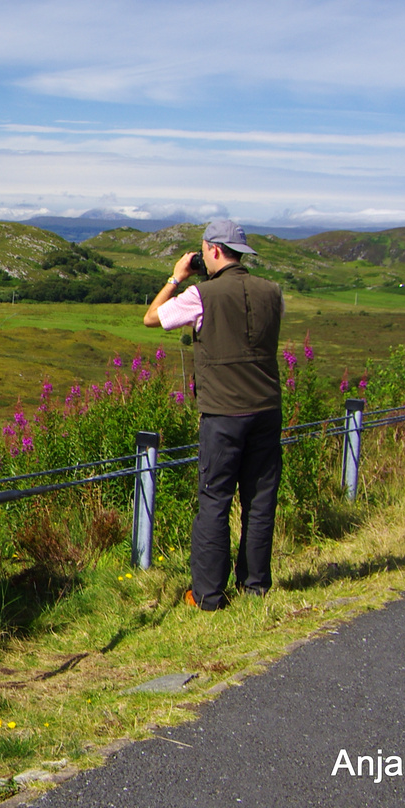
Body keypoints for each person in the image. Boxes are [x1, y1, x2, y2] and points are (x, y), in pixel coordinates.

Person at [142, 219, 284, 611]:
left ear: (215, 251)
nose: (202, 256)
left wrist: (175, 278)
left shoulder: (200, 295)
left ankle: (207, 594)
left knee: (215, 500)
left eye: (204, 250)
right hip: (268, 409)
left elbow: (152, 318)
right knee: (260, 499)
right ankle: (255, 587)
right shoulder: (272, 292)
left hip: (224, 413)